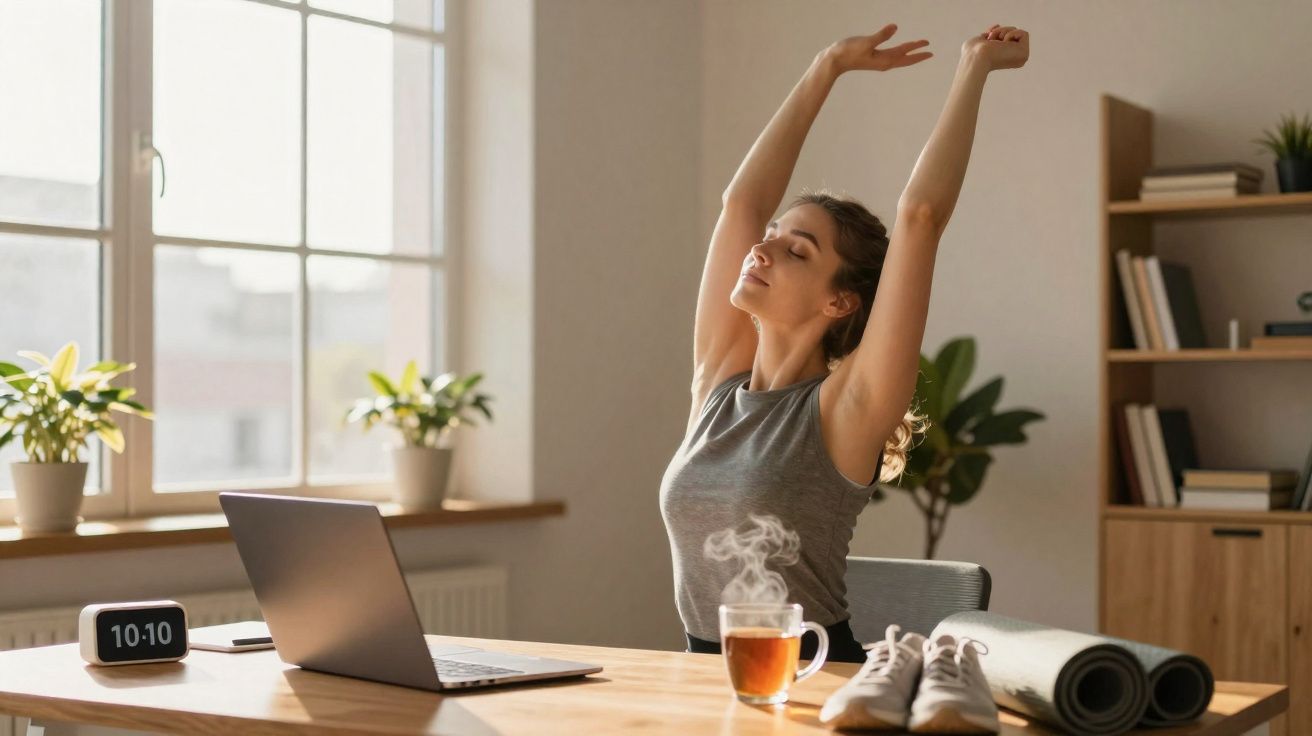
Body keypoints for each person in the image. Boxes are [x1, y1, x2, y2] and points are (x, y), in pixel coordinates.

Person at [659, 22, 1030, 664]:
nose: (762, 247)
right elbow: (741, 205)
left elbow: (920, 216)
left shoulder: (843, 410)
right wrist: (826, 66)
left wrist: (975, 67)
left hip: (814, 681)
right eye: (774, 235)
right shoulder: (717, 386)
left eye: (795, 249)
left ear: (839, 302)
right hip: (703, 681)